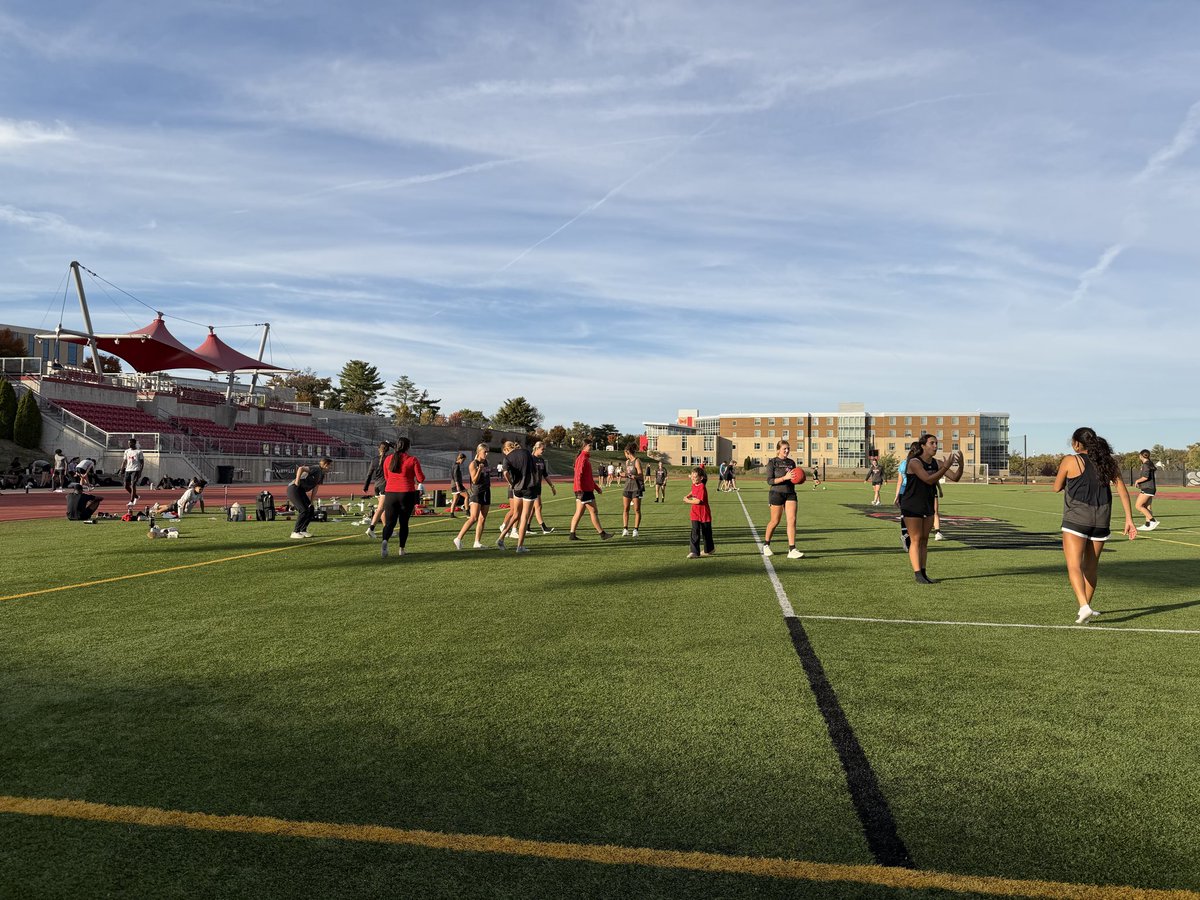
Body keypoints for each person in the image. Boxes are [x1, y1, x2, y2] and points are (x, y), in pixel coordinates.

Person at [1054, 427, 1137, 623]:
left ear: (1076, 443)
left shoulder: (1070, 460)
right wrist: (1129, 520)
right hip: (1101, 520)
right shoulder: (1107, 462)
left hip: (1076, 519)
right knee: (1091, 567)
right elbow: (1123, 492)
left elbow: (1056, 487)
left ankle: (1084, 606)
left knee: (1074, 565)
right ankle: (1086, 609)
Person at [898, 435, 963, 584]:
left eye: (936, 443)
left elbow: (955, 477)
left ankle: (924, 572)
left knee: (924, 540)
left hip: (927, 504)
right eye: (932, 443)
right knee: (915, 539)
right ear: (923, 446)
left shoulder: (936, 462)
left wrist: (961, 465)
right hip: (912, 504)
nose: (935, 446)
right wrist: (945, 467)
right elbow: (928, 480)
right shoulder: (914, 462)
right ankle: (917, 574)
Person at [379, 439, 424, 558]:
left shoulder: (388, 459)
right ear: (408, 447)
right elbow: (421, 478)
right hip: (406, 493)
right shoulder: (412, 459)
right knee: (404, 523)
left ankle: (385, 541)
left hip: (390, 493)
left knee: (389, 523)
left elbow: (386, 476)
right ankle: (401, 549)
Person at [762, 440, 804, 560]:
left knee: (792, 520)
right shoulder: (772, 462)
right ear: (778, 449)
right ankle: (766, 544)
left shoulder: (791, 462)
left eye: (788, 448)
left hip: (790, 493)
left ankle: (792, 549)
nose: (786, 451)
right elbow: (770, 481)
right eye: (784, 448)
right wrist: (784, 477)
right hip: (776, 493)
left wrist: (799, 479)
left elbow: (794, 477)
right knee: (775, 521)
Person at [496, 440, 537, 553]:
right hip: (529, 487)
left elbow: (505, 473)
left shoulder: (507, 458)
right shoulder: (526, 452)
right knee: (524, 516)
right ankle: (520, 546)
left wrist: (511, 483)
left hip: (517, 488)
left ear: (506, 449)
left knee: (515, 515)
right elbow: (534, 469)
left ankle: (501, 537)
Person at [568, 438, 612, 541]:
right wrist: (579, 489)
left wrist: (597, 488)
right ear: (584, 446)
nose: (591, 448)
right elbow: (578, 474)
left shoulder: (584, 458)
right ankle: (602, 534)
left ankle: (572, 534)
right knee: (593, 511)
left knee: (579, 512)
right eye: (589, 446)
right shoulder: (582, 458)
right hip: (584, 490)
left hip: (584, 489)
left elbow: (588, 477)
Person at [454, 443, 493, 550]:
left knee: (482, 518)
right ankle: (458, 538)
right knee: (474, 518)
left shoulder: (486, 462)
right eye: (485, 451)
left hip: (486, 491)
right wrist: (480, 469)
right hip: (476, 492)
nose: (487, 453)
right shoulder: (473, 464)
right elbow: (474, 480)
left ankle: (477, 542)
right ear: (479, 452)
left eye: (488, 451)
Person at [288, 457, 332, 540]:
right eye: (330, 466)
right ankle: (295, 532)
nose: (330, 468)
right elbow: (301, 468)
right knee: (303, 510)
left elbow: (316, 487)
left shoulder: (322, 474)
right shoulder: (316, 468)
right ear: (325, 465)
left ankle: (303, 530)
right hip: (294, 488)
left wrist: (311, 501)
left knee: (310, 509)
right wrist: (297, 481)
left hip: (300, 490)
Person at [361, 440, 392, 538]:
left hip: (377, 486)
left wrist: (365, 486)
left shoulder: (374, 459)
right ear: (388, 449)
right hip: (384, 485)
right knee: (381, 508)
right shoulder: (389, 459)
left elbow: (369, 474)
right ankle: (371, 529)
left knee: (383, 509)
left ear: (378, 448)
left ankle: (387, 530)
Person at [683, 466, 714, 558]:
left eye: (695, 477)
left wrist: (687, 500)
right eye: (692, 476)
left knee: (706, 533)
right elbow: (693, 491)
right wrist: (688, 495)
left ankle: (709, 549)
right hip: (695, 514)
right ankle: (694, 552)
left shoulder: (702, 487)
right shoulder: (694, 485)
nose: (693, 478)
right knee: (695, 532)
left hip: (704, 514)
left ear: (701, 478)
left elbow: (698, 501)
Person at [530, 441, 557, 534]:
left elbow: (545, 475)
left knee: (534, 508)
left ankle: (527, 527)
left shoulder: (541, 460)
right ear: (536, 448)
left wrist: (552, 486)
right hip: (531, 486)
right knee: (538, 506)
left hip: (538, 486)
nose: (543, 451)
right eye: (542, 449)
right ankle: (544, 528)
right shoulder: (530, 459)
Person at [620, 443, 645, 537]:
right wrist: (624, 474)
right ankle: (625, 528)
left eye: (625, 453)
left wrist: (635, 476)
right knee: (626, 509)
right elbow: (628, 474)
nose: (625, 455)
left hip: (636, 488)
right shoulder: (627, 462)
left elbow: (641, 476)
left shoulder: (637, 461)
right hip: (627, 488)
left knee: (637, 510)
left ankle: (635, 530)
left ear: (628, 452)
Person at [1133, 449, 1160, 531]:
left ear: (1141, 456)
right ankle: (1147, 525)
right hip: (1150, 488)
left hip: (1148, 488)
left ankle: (1153, 521)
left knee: (1138, 506)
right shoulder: (1150, 463)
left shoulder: (1145, 465)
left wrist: (1137, 481)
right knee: (1147, 507)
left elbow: (1145, 477)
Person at [122, 438, 145, 509]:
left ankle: (131, 501)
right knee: (126, 486)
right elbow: (124, 461)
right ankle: (136, 496)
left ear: (134, 443)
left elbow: (142, 463)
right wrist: (121, 469)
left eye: (130, 443)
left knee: (133, 485)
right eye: (128, 443)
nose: (129, 444)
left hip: (135, 470)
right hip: (128, 470)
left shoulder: (139, 452)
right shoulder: (126, 451)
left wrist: (140, 472)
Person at [447, 452, 468, 518]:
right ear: (460, 459)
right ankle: (467, 512)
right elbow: (455, 476)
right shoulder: (456, 465)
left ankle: (451, 514)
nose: (463, 462)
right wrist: (458, 485)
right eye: (463, 460)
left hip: (453, 485)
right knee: (467, 496)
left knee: (455, 500)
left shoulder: (454, 465)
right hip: (457, 484)